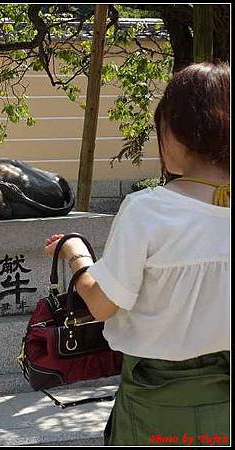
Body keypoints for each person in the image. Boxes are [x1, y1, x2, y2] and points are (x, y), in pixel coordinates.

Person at [43, 62, 230, 445]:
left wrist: (76, 256)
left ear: (174, 132)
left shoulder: (149, 210)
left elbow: (103, 305)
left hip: (156, 401)